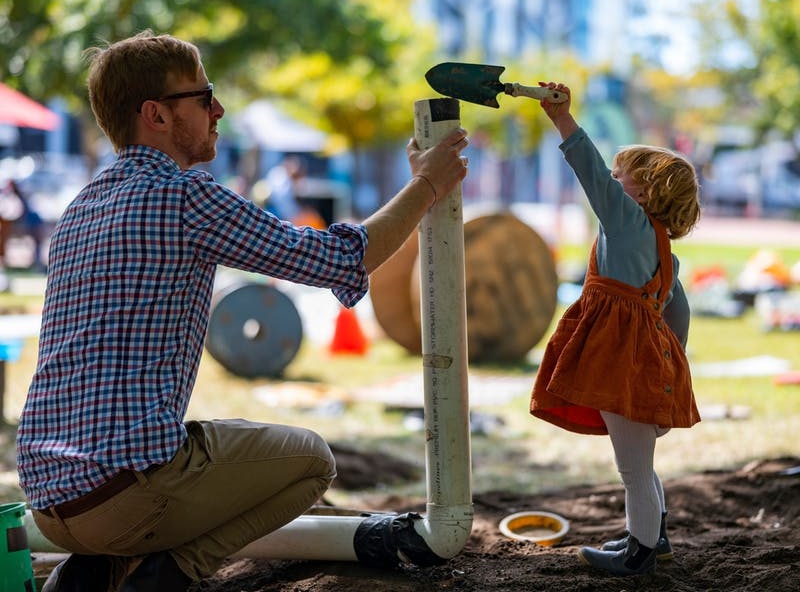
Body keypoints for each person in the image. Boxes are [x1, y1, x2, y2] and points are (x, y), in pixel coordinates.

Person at [15, 31, 468, 592]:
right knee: (311, 461)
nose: (219, 109)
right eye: (203, 97)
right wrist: (427, 185)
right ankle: (169, 574)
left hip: (47, 500)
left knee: (198, 442)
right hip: (125, 494)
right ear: (155, 114)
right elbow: (337, 259)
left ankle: (92, 570)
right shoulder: (184, 196)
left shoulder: (80, 206)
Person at [529, 82, 702, 577]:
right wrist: (671, 366)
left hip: (621, 360)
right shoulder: (662, 246)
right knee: (640, 462)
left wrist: (562, 119)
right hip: (644, 360)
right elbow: (678, 311)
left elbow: (588, 172)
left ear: (643, 193)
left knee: (632, 468)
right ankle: (655, 537)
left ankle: (639, 553)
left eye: (620, 176)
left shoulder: (627, 223)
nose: (610, 178)